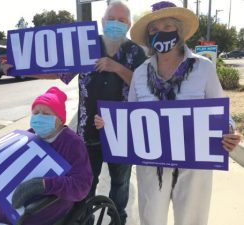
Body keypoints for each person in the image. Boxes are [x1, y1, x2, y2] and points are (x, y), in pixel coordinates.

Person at [95, 1, 241, 225]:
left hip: (194, 167)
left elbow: (221, 110)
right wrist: (111, 125)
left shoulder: (203, 68)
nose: (161, 33)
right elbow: (132, 116)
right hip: (151, 167)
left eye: (167, 27)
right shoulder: (141, 73)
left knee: (192, 220)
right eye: (154, 29)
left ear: (179, 31)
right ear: (148, 36)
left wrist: (229, 131)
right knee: (151, 220)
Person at [2, 1, 146, 224]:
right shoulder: (86, 46)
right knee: (86, 183)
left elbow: (142, 86)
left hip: (122, 132)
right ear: (102, 21)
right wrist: (19, 69)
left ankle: (118, 218)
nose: (115, 24)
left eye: (122, 20)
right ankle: (83, 219)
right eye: (111, 19)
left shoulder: (136, 52)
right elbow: (59, 72)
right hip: (88, 131)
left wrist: (116, 67)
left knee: (120, 183)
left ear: (129, 24)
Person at [0, 87, 93, 225]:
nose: (39, 117)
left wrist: (43, 185)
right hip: (7, 203)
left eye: (46, 114)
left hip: (43, 207)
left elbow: (81, 186)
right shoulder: (29, 135)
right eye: (36, 113)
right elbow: (2, 158)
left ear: (59, 119)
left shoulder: (73, 144)